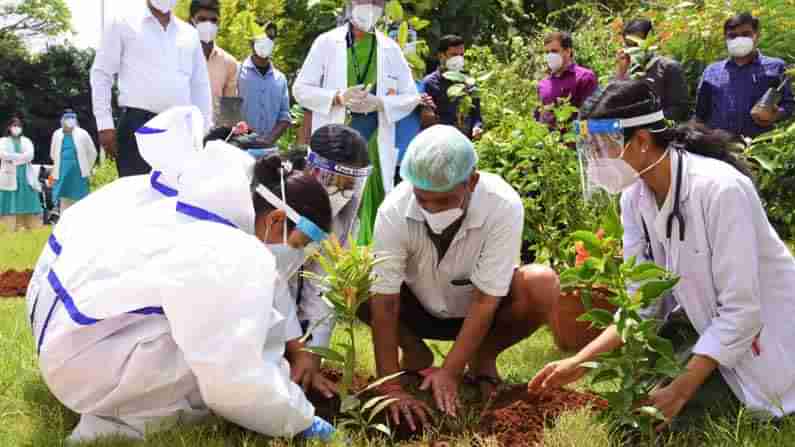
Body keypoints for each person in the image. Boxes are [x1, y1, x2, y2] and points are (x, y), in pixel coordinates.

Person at [27, 138, 337, 443]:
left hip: (58, 328)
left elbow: (272, 292)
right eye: (298, 245)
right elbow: (233, 377)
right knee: (210, 365)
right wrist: (299, 419)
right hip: (84, 367)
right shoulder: (224, 250)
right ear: (277, 218)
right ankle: (120, 426)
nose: (295, 256)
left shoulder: (198, 198)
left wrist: (294, 352)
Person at [531, 80, 795, 432]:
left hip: (764, 337)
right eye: (590, 148)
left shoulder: (719, 190)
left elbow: (742, 312)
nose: (596, 160)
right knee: (630, 419)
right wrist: (580, 362)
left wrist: (681, 390)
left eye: (603, 146)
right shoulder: (634, 199)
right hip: (709, 327)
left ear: (641, 141)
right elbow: (644, 306)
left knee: (658, 426)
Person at [360, 125, 561, 432]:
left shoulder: (502, 205)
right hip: (417, 310)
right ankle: (414, 351)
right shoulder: (394, 210)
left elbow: (485, 301)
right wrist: (391, 388)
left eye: (443, 201)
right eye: (422, 199)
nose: (430, 209)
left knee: (542, 283)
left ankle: (483, 357)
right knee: (360, 277)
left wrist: (450, 372)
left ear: (472, 180)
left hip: (481, 313)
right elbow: (385, 303)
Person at [293, 0, 424, 246]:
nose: (371, 6)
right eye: (365, 1)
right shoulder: (326, 43)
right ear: (351, 3)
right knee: (326, 210)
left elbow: (411, 96)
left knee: (369, 212)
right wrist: (336, 97)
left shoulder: (390, 48)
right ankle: (318, 275)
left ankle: (363, 273)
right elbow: (300, 90)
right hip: (334, 146)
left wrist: (381, 103)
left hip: (373, 144)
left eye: (377, 2)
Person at [289, 124, 371, 392]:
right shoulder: (278, 200)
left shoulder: (343, 216)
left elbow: (321, 287)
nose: (340, 193)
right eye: (333, 182)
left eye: (348, 185)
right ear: (311, 168)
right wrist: (293, 347)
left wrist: (313, 355)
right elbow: (272, 285)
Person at [91, 0, 212, 178]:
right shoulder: (122, 23)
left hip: (180, 129)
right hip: (137, 125)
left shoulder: (190, 34)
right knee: (136, 195)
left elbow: (199, 85)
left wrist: (204, 131)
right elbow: (101, 73)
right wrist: (104, 124)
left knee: (177, 198)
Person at [695, 12, 794, 139]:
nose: (739, 39)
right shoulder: (712, 70)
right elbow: (700, 113)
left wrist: (776, 114)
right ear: (725, 38)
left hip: (759, 146)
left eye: (745, 34)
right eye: (733, 36)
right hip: (719, 148)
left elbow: (789, 104)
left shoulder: (776, 67)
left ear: (756, 35)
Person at [615, 19, 689, 122]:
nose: (632, 50)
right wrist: (620, 74)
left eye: (636, 45)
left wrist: (644, 122)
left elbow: (679, 109)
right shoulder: (627, 69)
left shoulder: (669, 68)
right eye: (628, 45)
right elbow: (613, 104)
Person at [238, 23, 291, 148]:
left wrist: (268, 140)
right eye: (263, 38)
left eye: (271, 39)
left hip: (268, 152)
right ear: (252, 42)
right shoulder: (237, 73)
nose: (267, 42)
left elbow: (284, 116)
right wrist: (244, 139)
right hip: (239, 149)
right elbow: (229, 111)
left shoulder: (280, 79)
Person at [423, 35, 484, 140]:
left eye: (461, 55)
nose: (459, 59)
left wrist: (477, 127)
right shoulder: (430, 83)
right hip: (441, 142)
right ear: (441, 56)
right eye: (454, 55)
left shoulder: (469, 82)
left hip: (466, 142)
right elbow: (426, 120)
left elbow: (476, 115)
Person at [537, 31, 598, 127]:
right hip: (550, 140)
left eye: (554, 51)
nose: (550, 56)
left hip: (574, 139)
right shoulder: (543, 84)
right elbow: (541, 119)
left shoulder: (585, 77)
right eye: (547, 52)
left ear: (568, 51)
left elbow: (591, 118)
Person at [50, 109, 97, 213]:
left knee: (80, 199)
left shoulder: (82, 133)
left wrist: (87, 167)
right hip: (62, 171)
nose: (69, 120)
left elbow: (92, 153)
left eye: (72, 118)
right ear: (62, 120)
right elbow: (53, 153)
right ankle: (64, 221)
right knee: (64, 199)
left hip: (79, 172)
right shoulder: (57, 134)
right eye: (67, 118)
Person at [0, 116, 43, 232]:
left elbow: (30, 155)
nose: (16, 128)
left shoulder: (26, 140)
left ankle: (28, 224)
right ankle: (10, 226)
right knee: (10, 199)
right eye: (14, 125)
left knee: (28, 198)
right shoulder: (3, 141)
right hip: (9, 174)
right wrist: (21, 158)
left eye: (19, 126)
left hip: (25, 174)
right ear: (9, 127)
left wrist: (14, 159)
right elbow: (3, 154)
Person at [190, 0, 239, 99]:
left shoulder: (229, 63)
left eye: (213, 20)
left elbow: (229, 108)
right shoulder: (178, 56)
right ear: (192, 21)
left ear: (219, 22)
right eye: (202, 19)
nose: (208, 24)